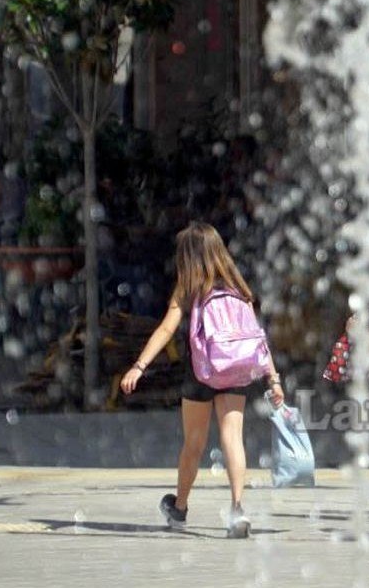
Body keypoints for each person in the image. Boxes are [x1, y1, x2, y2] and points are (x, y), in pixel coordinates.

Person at [120, 222, 284, 539]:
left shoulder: (189, 287)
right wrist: (273, 380)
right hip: (236, 368)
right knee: (232, 438)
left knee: (193, 444)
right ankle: (237, 509)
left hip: (201, 372)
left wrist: (139, 366)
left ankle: (179, 506)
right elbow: (257, 338)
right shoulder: (238, 287)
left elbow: (166, 329)